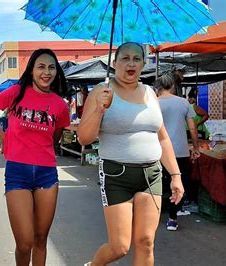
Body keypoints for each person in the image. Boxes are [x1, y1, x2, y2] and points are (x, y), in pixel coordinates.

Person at [77, 42, 184, 266]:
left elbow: (162, 137)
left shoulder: (150, 93)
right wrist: (99, 109)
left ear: (144, 64)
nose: (131, 63)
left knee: (146, 241)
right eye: (125, 58)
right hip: (116, 175)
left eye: (137, 58)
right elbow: (84, 138)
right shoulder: (101, 91)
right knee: (119, 247)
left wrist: (175, 175)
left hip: (151, 175)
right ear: (114, 63)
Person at [0, 48, 70, 265]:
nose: (46, 72)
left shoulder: (60, 105)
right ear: (31, 70)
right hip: (17, 173)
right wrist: (4, 138)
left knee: (40, 239)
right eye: (41, 66)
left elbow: (55, 138)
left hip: (46, 174)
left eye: (51, 67)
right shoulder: (17, 92)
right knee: (24, 242)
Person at [156, 74, 201, 231]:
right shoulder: (183, 103)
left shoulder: (153, 103)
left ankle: (152, 216)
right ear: (173, 87)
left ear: (158, 87)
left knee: (157, 183)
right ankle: (172, 219)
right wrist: (196, 148)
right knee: (178, 184)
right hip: (180, 151)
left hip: (157, 151)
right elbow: (193, 128)